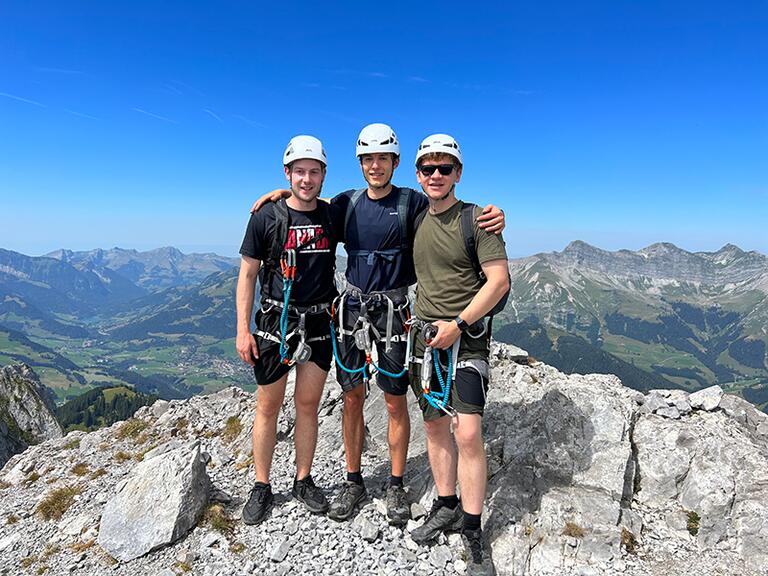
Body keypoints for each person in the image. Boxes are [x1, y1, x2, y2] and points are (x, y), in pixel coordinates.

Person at [251, 124, 505, 525]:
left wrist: (491, 215)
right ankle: (355, 481)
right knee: (352, 396)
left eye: (382, 159)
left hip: (395, 311)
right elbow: (306, 203)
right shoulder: (345, 205)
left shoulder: (413, 203)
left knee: (393, 399)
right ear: (360, 163)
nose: (375, 166)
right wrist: (279, 195)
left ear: (396, 163)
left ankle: (396, 483)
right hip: (351, 308)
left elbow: (450, 208)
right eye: (368, 159)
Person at [407, 134, 509, 576]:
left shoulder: (478, 221)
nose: (435, 175)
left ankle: (472, 528)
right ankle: (445, 504)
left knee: (467, 432)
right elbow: (337, 200)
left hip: (464, 338)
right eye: (428, 168)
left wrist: (459, 325)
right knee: (433, 425)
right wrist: (277, 194)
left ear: (458, 174)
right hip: (425, 338)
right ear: (418, 174)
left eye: (444, 168)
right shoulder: (414, 215)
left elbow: (499, 281)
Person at [235, 135, 342, 525]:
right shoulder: (265, 218)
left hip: (317, 322)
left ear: (324, 175)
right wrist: (242, 330)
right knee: (268, 406)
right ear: (287, 172)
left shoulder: (333, 215)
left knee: (307, 405)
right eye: (300, 171)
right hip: (274, 323)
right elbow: (247, 275)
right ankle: (261, 485)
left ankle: (302, 479)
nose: (307, 179)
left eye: (314, 172)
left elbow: (372, 202)